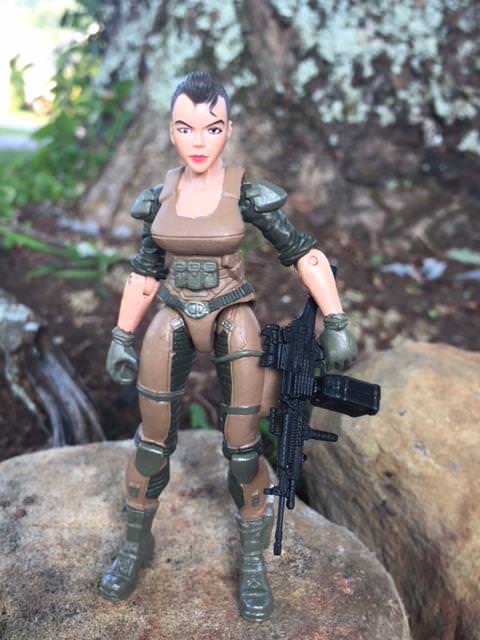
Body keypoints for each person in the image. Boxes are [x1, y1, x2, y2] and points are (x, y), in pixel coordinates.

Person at [99, 71, 357, 622]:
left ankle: (252, 561)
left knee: (242, 448)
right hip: (171, 316)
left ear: (229, 130)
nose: (199, 141)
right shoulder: (159, 197)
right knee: (151, 444)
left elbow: (302, 253)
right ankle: (135, 543)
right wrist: (122, 334)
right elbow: (145, 272)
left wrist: (335, 319)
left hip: (232, 314)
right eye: (186, 128)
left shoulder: (246, 195)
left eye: (212, 128)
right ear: (171, 130)